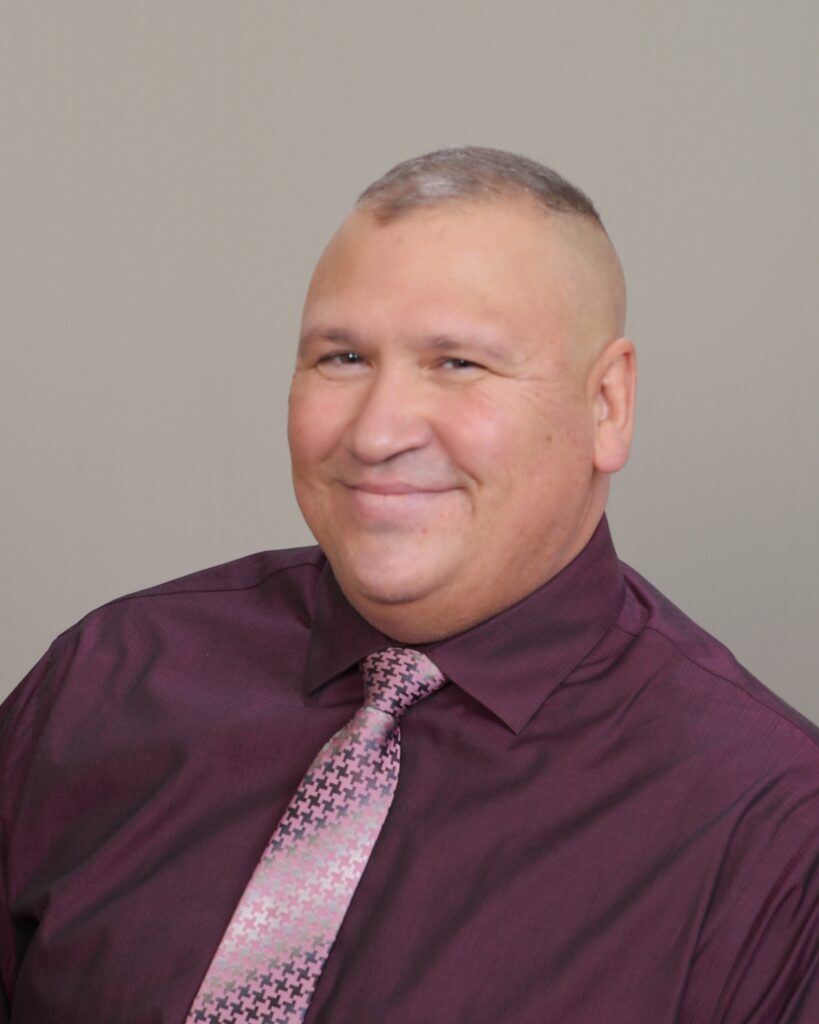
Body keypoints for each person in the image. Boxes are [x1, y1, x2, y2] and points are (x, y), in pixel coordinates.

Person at [1, 147, 817, 1023]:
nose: (378, 431)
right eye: (343, 357)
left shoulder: (768, 824)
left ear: (606, 405)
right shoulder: (107, 678)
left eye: (457, 363)